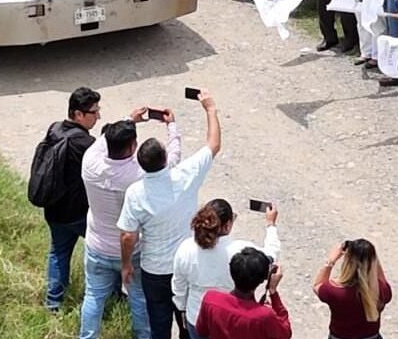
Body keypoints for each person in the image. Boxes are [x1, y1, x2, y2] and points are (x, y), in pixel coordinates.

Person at [119, 89, 223, 339]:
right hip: (186, 264)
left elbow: (128, 236)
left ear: (141, 164)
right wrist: (210, 109)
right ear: (166, 159)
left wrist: (125, 265)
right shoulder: (185, 175)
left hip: (154, 269)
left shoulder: (135, 193)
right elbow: (213, 144)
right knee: (186, 320)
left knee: (159, 324)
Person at [81, 112, 181, 339]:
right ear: (133, 146)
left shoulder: (89, 162)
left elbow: (104, 139)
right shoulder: (138, 175)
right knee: (138, 298)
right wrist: (172, 126)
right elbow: (172, 158)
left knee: (93, 296)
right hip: (130, 251)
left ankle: (87, 336)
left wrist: (129, 119)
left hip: (97, 245)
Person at [172, 199, 280, 338]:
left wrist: (182, 309)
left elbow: (179, 286)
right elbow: (271, 255)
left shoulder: (185, 248)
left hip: (195, 316)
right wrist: (271, 225)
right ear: (227, 225)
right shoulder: (239, 250)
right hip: (227, 320)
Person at [34, 87, 100, 312]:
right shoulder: (84, 143)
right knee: (102, 253)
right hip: (78, 214)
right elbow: (109, 150)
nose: (98, 116)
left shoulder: (55, 129)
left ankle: (53, 303)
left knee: (58, 253)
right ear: (79, 114)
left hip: (53, 209)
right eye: (94, 112)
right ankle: (103, 296)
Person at [192, 248, 290, 339]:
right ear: (262, 280)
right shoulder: (265, 316)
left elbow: (202, 331)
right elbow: (285, 333)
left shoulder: (211, 299)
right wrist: (273, 291)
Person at [313, 239, 392, 339]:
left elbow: (317, 285)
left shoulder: (335, 291)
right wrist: (371, 258)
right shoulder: (381, 290)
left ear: (347, 262)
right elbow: (382, 280)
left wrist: (330, 262)